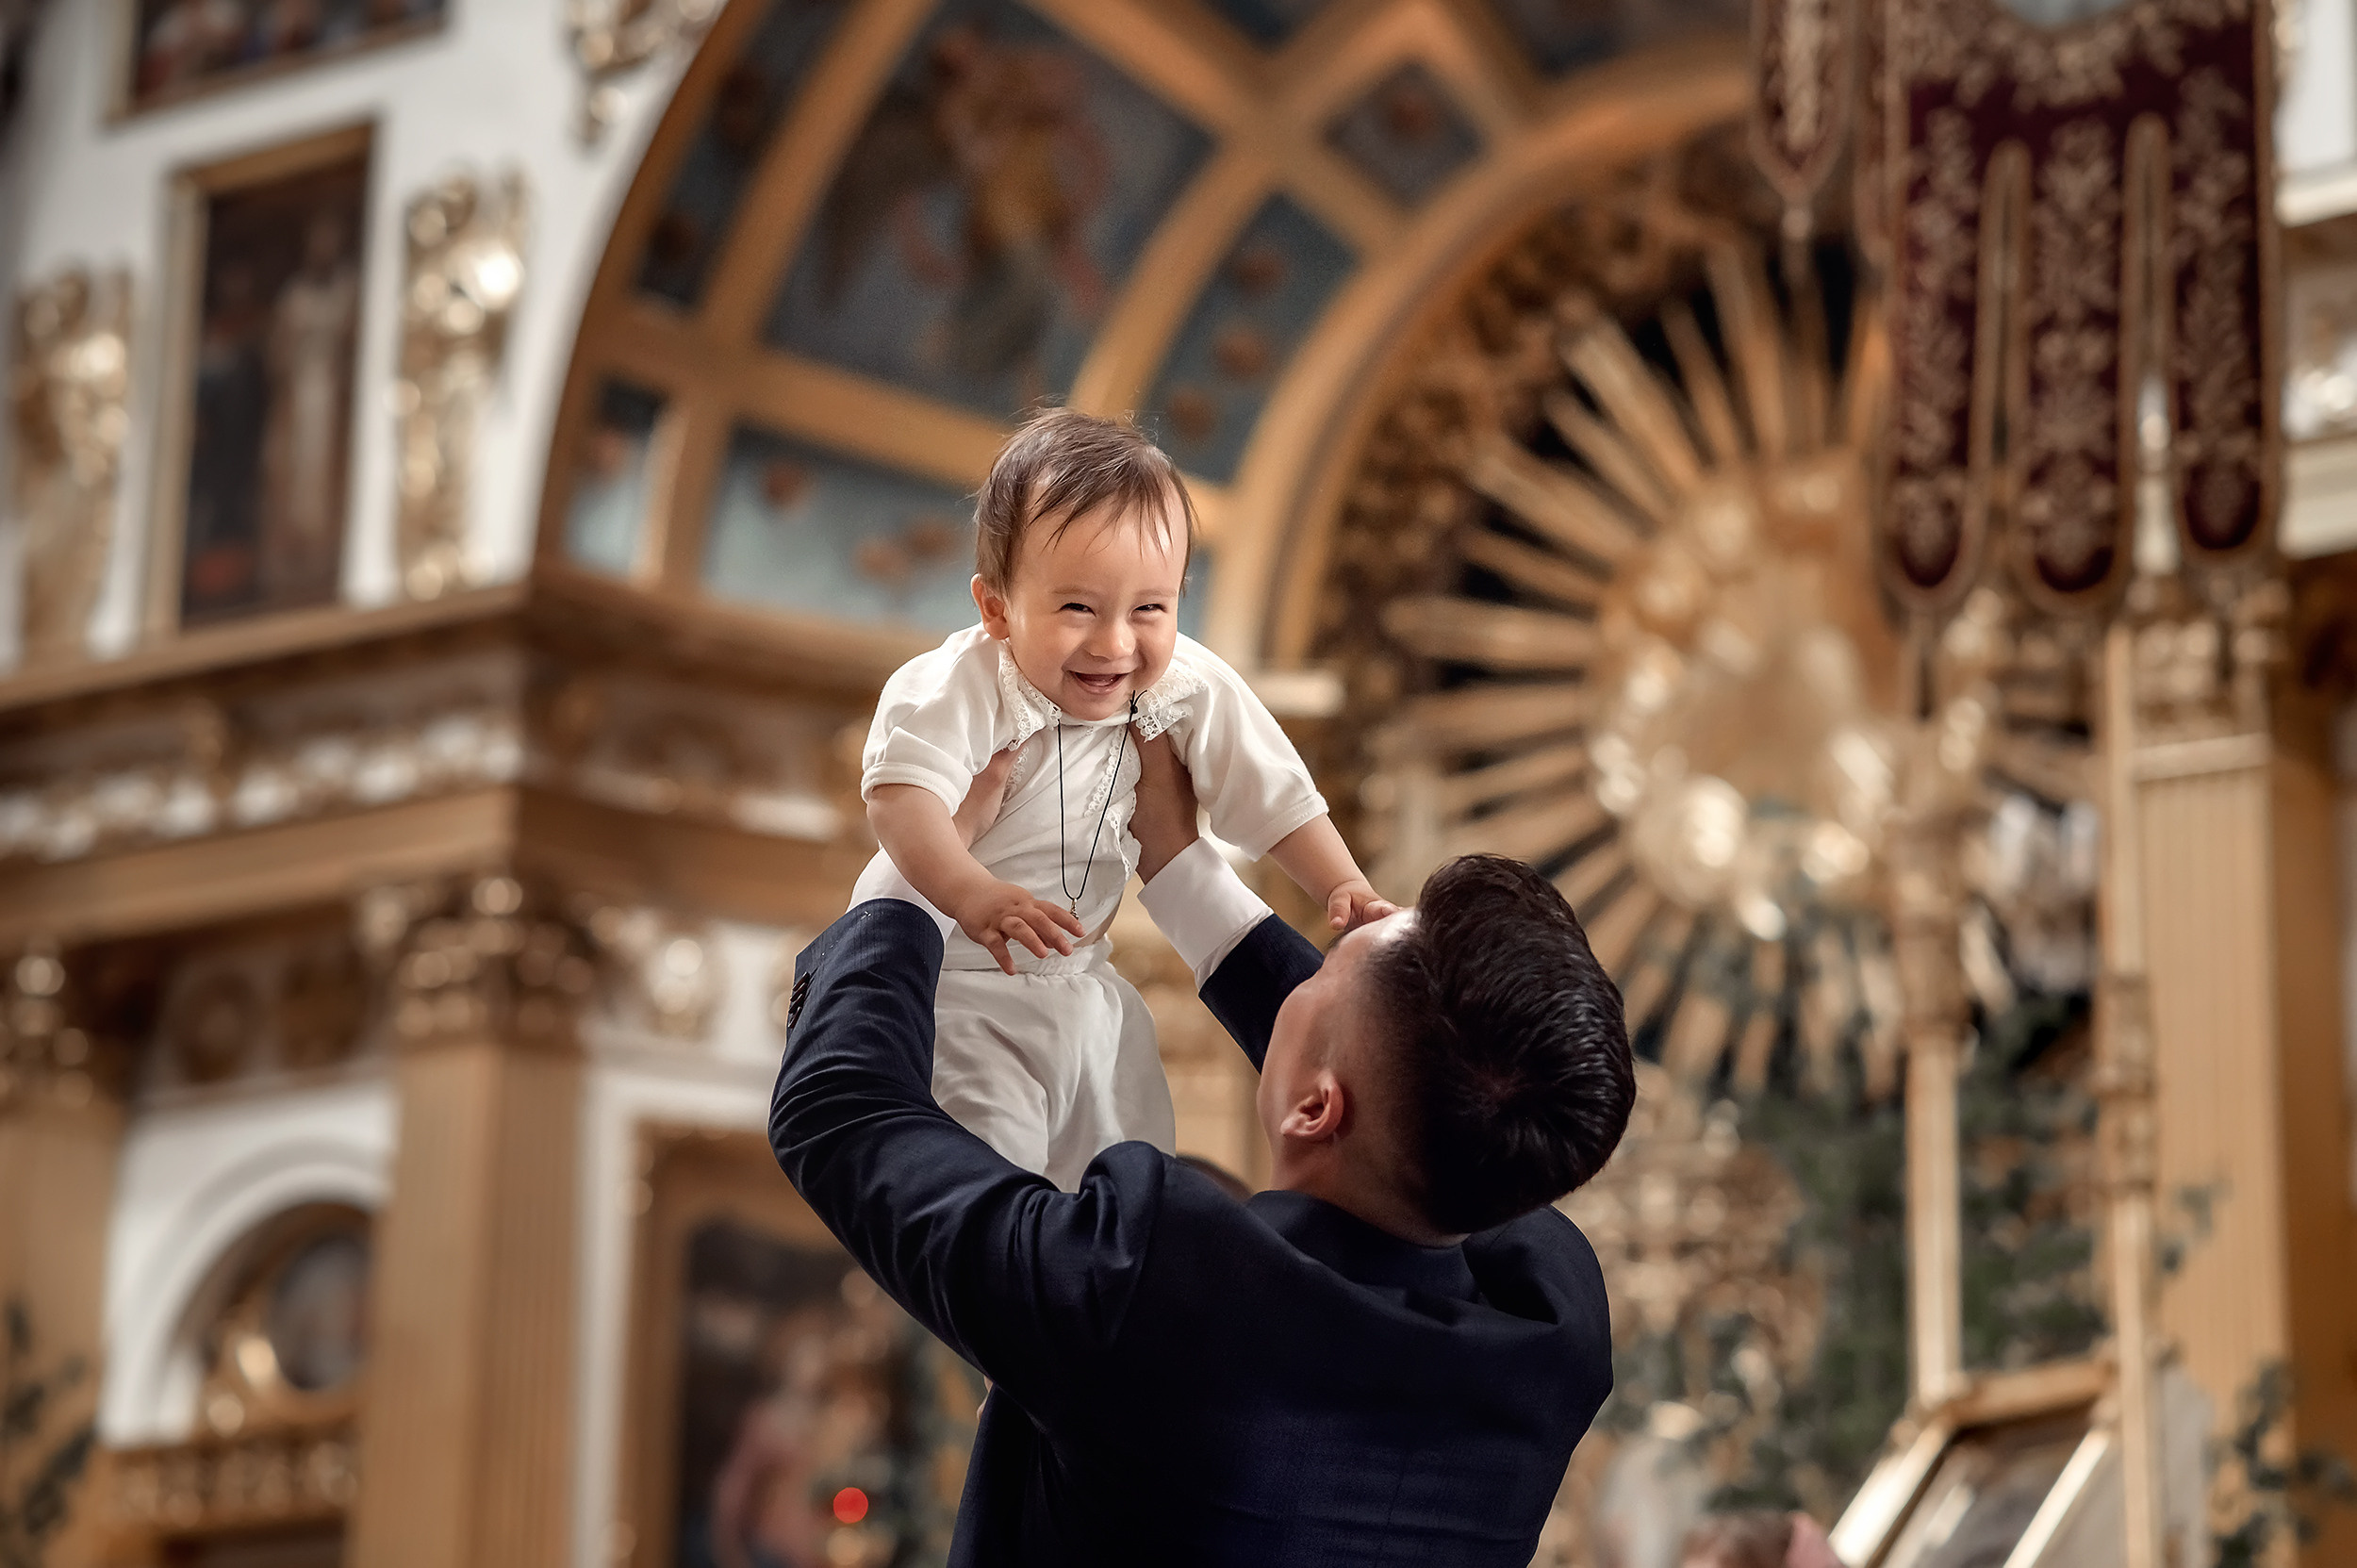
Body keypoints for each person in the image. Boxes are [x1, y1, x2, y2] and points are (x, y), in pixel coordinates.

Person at [771, 726, 1635, 1564]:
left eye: (1324, 970)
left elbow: (843, 1114)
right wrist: (1180, 860)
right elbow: (1447, 1094)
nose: (1308, 974)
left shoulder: (1150, 1285)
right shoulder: (1546, 1334)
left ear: (1315, 1107)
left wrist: (921, 872)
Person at [853, 407, 1379, 1190]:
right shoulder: (960, 685)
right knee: (992, 1172)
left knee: (1134, 1164)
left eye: (1150, 608)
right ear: (996, 607)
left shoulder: (1180, 683)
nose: (1115, 643)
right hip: (965, 987)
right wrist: (971, 891)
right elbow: (900, 800)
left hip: (1087, 983)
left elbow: (1270, 784)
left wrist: (1342, 884)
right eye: (1077, 609)